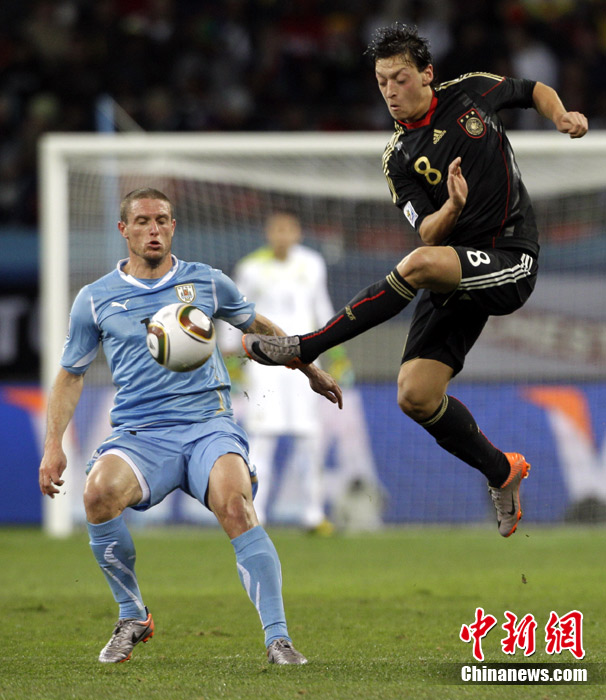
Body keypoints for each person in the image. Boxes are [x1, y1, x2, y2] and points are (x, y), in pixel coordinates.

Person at [243, 22, 588, 538]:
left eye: (399, 79)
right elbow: (427, 230)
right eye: (381, 82)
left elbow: (532, 90)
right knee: (415, 395)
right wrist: (452, 206)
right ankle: (502, 471)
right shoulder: (399, 157)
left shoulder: (470, 92)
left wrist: (560, 115)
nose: (390, 91)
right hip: (454, 263)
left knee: (421, 264)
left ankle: (306, 347)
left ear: (427, 74)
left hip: (510, 257)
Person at [38, 187, 342, 665]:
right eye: (142, 221)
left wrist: (309, 369)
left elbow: (256, 324)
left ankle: (278, 639)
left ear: (173, 227)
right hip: (140, 433)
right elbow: (71, 375)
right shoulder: (95, 299)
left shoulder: (206, 281)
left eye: (162, 220)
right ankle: (132, 615)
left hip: (208, 425)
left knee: (235, 504)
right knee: (97, 494)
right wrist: (53, 444)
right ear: (124, 230)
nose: (153, 230)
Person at [222, 210, 336, 532]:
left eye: (288, 229)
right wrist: (231, 362)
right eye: (277, 230)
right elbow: (234, 315)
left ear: (297, 233)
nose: (282, 236)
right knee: (262, 438)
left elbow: (322, 309)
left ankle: (314, 514)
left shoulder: (312, 264)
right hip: (264, 366)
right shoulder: (251, 267)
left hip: (305, 363)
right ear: (268, 233)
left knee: (309, 438)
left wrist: (337, 355)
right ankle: (255, 514)